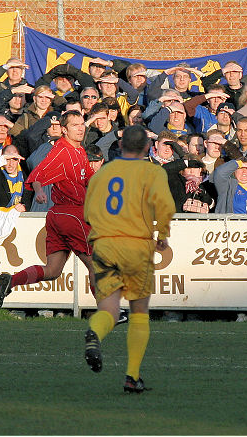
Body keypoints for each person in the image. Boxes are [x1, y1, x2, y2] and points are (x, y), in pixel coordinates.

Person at [82, 124, 175, 393]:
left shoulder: (105, 173)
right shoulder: (152, 171)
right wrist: (162, 233)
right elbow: (165, 206)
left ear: (120, 147)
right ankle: (132, 376)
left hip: (104, 245)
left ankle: (95, 333)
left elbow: (89, 212)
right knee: (138, 311)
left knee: (109, 309)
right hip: (135, 246)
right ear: (147, 148)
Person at [0, 110, 95, 308]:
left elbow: (90, 178)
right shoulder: (61, 150)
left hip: (58, 216)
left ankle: (11, 281)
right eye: (75, 125)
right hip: (70, 213)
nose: (81, 128)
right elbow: (38, 174)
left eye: (82, 123)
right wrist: (39, 191)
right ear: (63, 130)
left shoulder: (79, 150)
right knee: (95, 264)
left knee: (53, 270)